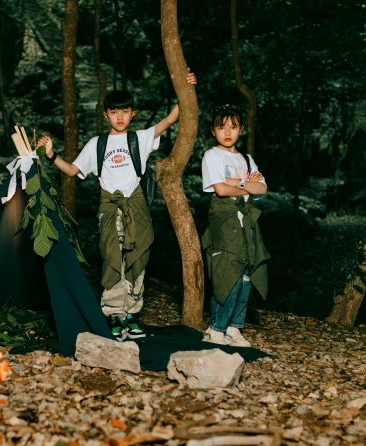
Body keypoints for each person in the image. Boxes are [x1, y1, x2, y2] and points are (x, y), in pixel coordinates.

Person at [37, 71, 196, 340]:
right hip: (109, 209)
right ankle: (114, 315)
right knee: (112, 260)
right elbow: (73, 170)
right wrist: (52, 155)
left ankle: (132, 315)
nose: (120, 117)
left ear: (132, 114)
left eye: (125, 111)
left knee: (137, 259)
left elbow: (171, 118)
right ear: (105, 115)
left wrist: (186, 86)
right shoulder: (96, 144)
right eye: (114, 112)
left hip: (136, 208)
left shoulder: (140, 138)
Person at [200, 104, 270, 347]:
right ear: (213, 130)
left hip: (247, 221)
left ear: (241, 129)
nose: (227, 132)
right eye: (221, 127)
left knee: (247, 274)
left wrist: (235, 182)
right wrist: (245, 184)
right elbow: (219, 189)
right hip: (225, 221)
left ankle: (233, 328)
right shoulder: (212, 155)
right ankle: (215, 329)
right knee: (227, 272)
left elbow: (262, 189)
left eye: (233, 126)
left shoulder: (246, 159)